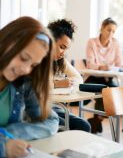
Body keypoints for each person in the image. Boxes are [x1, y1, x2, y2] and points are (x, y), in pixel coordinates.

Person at [0, 16, 59, 157]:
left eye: (33, 65)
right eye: (24, 58)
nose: (26, 70)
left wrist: (11, 133)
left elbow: (51, 121)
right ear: (6, 42)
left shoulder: (24, 82)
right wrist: (3, 146)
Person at [85, 17, 123, 133]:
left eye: (113, 31)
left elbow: (119, 63)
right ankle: (96, 121)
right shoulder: (92, 42)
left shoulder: (115, 43)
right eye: (109, 30)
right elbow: (90, 64)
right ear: (102, 28)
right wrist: (101, 67)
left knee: (116, 95)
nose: (111, 33)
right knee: (105, 91)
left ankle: (96, 121)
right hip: (94, 77)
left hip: (108, 78)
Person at [47, 19, 91, 132]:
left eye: (65, 49)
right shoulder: (37, 58)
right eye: (62, 47)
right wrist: (56, 84)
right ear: (50, 40)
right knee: (62, 126)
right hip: (40, 106)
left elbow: (78, 79)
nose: (63, 53)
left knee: (84, 126)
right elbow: (36, 87)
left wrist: (65, 83)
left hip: (55, 105)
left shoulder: (60, 60)